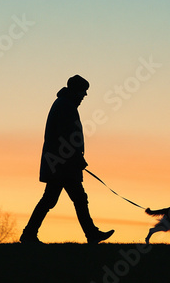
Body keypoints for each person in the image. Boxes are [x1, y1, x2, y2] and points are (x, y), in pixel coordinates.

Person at [20, 75, 114, 244]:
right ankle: (91, 234)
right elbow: (66, 137)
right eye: (83, 91)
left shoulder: (65, 104)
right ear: (76, 90)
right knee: (72, 198)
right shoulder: (66, 106)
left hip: (61, 163)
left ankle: (29, 234)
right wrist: (76, 157)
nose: (85, 95)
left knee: (58, 199)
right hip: (62, 164)